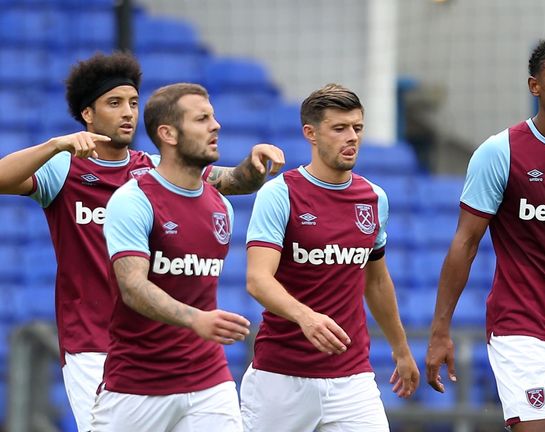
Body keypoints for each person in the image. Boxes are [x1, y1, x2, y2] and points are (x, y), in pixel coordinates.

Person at [0, 52, 284, 431]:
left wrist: (254, 165)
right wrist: (56, 145)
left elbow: (231, 181)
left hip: (162, 340)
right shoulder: (65, 169)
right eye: (114, 103)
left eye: (133, 103)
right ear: (88, 114)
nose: (127, 113)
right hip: (93, 345)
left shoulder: (155, 170)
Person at [425, 39, 545, 432]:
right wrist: (440, 331)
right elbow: (465, 243)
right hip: (520, 328)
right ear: (535, 86)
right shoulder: (500, 152)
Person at [239, 83, 420, 432]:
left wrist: (401, 348)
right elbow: (257, 279)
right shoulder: (280, 194)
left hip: (352, 379)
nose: (351, 137)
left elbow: (377, 280)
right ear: (311, 133)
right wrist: (305, 317)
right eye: (339, 128)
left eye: (357, 127)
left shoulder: (374, 198)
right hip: (281, 378)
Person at [92, 82, 253, 430]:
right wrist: (196, 319)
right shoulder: (133, 200)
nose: (216, 126)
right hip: (137, 386)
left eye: (213, 117)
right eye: (202, 119)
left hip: (210, 380)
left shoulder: (221, 205)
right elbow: (132, 286)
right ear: (168, 134)